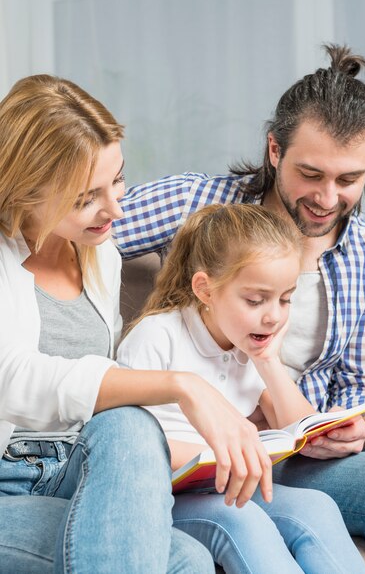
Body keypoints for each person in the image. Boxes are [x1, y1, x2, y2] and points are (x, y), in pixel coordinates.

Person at [113, 43, 365, 573]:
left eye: (348, 180)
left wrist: (362, 428)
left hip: (304, 428)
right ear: (274, 151)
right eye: (311, 174)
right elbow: (78, 228)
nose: (327, 198)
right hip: (255, 449)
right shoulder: (199, 206)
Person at [0, 74, 274, 573]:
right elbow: (14, 378)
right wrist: (181, 385)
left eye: (118, 179)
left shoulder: (98, 252)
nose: (115, 207)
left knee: (129, 424)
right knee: (184, 560)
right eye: (87, 197)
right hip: (7, 476)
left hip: (73, 463)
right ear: (25, 191)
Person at [117, 203, 365, 574]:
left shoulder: (248, 344)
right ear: (205, 289)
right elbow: (122, 441)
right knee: (242, 521)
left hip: (225, 486)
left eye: (285, 299)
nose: (274, 315)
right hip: (161, 495)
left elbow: (301, 430)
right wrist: (225, 453)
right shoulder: (158, 337)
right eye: (256, 300)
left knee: (317, 506)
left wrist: (268, 362)